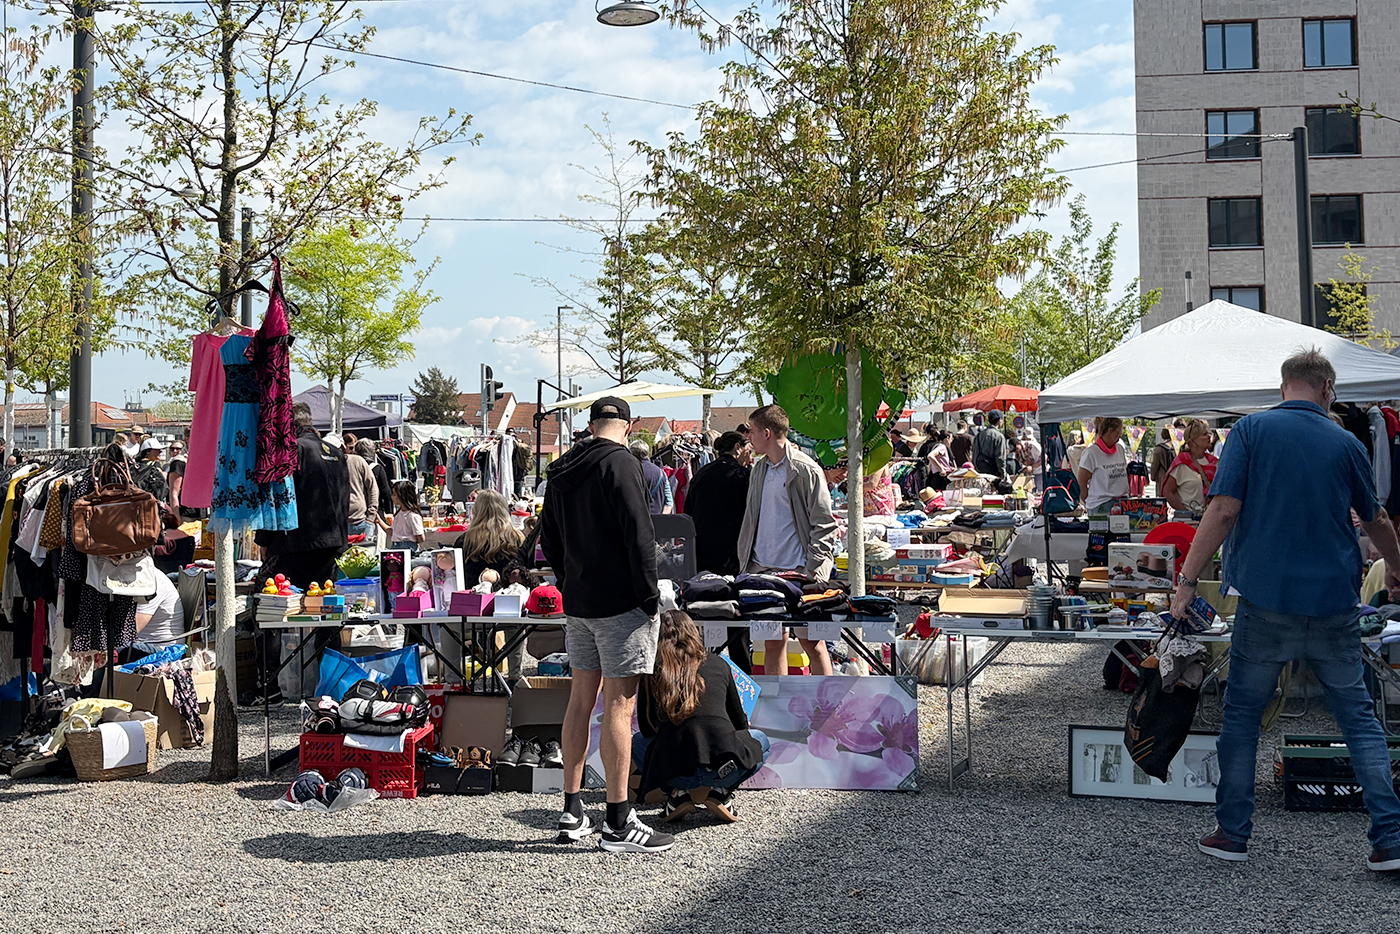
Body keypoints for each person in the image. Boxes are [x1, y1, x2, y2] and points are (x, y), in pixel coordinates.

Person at [1174, 349, 1400, 872]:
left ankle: (1233, 834)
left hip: (1265, 601)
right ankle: (1388, 839)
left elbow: (1224, 509)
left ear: (1284, 388)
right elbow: (1377, 518)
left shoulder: (1250, 433)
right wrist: (1396, 567)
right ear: (1327, 389)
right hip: (1332, 605)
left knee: (1243, 717)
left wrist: (1187, 580)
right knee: (1359, 722)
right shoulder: (1347, 443)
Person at [540, 396, 670, 853]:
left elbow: (549, 541)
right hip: (621, 602)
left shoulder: (562, 470)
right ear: (629, 427)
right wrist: (650, 596)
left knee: (579, 702)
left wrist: (569, 579)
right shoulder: (622, 464)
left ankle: (572, 811)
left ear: (592, 424)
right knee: (619, 707)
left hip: (579, 602)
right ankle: (617, 819)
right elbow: (640, 535)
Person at [633, 610, 769, 823]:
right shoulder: (718, 663)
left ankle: (677, 794)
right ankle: (721, 792)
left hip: (674, 768)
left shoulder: (652, 670)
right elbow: (739, 722)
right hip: (723, 764)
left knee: (637, 742)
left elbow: (647, 729)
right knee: (761, 740)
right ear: (694, 633)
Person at [736, 404, 840, 677]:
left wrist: (814, 571)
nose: (749, 437)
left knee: (812, 643)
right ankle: (777, 713)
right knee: (772, 644)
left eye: (753, 432)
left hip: (798, 573)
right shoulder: (759, 469)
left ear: (767, 433)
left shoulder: (806, 470)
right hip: (763, 571)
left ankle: (827, 707)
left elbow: (825, 524)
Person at [255, 402, 349, 593]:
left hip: (295, 545)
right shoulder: (337, 454)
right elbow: (345, 500)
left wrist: (264, 540)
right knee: (322, 605)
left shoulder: (291, 451)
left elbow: (275, 498)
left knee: (281, 605)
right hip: (332, 544)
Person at [683, 430, 750, 577]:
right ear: (738, 447)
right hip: (731, 550)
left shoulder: (702, 473)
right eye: (748, 450)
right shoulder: (741, 475)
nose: (750, 457)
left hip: (701, 547)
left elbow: (688, 510)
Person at [454, 489, 525, 582]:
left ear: (476, 511)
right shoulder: (518, 539)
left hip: (474, 593)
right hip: (511, 593)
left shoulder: (465, 541)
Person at [1160, 419, 1218, 516]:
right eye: (1204, 434)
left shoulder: (1213, 462)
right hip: (1189, 521)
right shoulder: (1182, 462)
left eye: (1208, 433)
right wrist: (1186, 512)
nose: (1209, 436)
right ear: (1193, 441)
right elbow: (1167, 491)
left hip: (1210, 518)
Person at [1075, 417, 1130, 512]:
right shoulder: (1091, 453)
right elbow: (1081, 482)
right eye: (1117, 433)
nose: (1120, 436)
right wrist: (1088, 500)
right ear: (1109, 431)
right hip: (1101, 503)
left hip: (1122, 501)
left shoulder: (1120, 449)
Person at [127, 572, 185, 660]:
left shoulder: (153, 582)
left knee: (106, 650)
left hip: (163, 650)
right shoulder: (134, 577)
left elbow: (132, 630)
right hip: (143, 642)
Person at [346, 439, 380, 542]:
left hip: (362, 520)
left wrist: (371, 516)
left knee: (366, 555)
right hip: (340, 523)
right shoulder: (330, 465)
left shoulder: (357, 461)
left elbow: (373, 487)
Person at [630, 440, 673, 515]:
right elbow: (669, 502)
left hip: (638, 520)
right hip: (657, 519)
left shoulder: (632, 472)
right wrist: (662, 517)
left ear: (633, 455)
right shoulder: (661, 473)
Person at [380, 480, 425, 550]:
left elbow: (421, 537)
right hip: (395, 545)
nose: (392, 497)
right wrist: (379, 521)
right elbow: (392, 532)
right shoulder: (399, 513)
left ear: (403, 496)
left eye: (394, 494)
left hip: (408, 547)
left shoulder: (412, 516)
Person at [972, 410, 1009, 479]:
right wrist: (1002, 473)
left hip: (980, 469)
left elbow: (974, 452)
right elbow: (1000, 457)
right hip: (993, 471)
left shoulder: (979, 435)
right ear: (999, 420)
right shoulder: (999, 436)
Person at [131, 438, 170, 503]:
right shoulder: (155, 465)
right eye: (157, 449)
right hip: (152, 503)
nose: (160, 451)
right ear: (147, 452)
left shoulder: (133, 466)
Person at [166, 439, 189, 517]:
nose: (175, 451)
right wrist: (176, 517)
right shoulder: (177, 463)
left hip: (200, 511)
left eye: (178, 449)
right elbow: (174, 492)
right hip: (184, 512)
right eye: (172, 449)